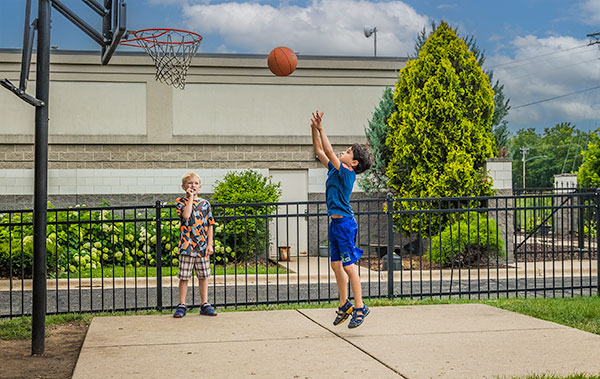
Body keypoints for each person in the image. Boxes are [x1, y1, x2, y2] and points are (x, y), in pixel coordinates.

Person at [310, 110, 373, 328]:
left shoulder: (348, 173)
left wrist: (322, 128)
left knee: (348, 267)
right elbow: (319, 151)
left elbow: (328, 149)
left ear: (354, 162)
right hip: (335, 224)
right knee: (335, 265)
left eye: (347, 152)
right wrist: (313, 129)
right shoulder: (335, 170)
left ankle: (360, 307)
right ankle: (344, 303)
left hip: (345, 224)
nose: (342, 153)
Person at [173, 172, 217, 318]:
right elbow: (186, 215)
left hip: (202, 247)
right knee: (184, 277)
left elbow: (210, 224)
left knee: (203, 276)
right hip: (187, 246)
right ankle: (182, 304)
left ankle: (204, 303)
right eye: (190, 183)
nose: (193, 186)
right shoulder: (181, 202)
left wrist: (209, 244)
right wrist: (191, 197)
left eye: (196, 183)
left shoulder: (205, 204)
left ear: (200, 186)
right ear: (184, 186)